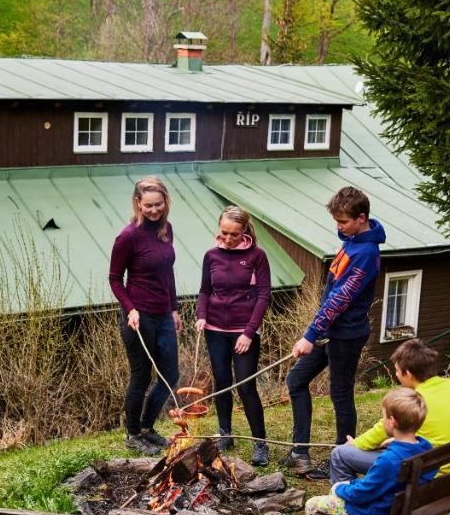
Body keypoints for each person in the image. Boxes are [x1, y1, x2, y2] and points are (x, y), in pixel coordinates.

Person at [282, 185, 386, 479]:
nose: (338, 228)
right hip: (329, 330)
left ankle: (345, 456)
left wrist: (310, 335)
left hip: (346, 335)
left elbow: (339, 299)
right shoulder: (353, 240)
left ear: (362, 218)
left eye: (343, 222)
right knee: (296, 379)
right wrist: (316, 332)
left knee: (340, 393)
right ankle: (299, 452)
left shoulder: (365, 253)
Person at [292, 387, 435, 515]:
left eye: (383, 416)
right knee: (339, 494)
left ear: (392, 422)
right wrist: (392, 443)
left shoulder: (390, 461)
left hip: (377, 514)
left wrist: (340, 488)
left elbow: (362, 493)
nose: (382, 420)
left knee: (313, 506)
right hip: (402, 509)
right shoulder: (426, 448)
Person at [329, 338, 450, 498]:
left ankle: (347, 502)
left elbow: (379, 431)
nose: (396, 374)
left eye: (397, 371)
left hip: (430, 475)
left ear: (409, 374)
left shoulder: (414, 400)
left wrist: (355, 444)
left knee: (339, 455)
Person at [109, 176, 181, 456]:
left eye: (159, 205)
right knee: (140, 375)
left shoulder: (166, 230)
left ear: (166, 203)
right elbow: (115, 279)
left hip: (164, 314)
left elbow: (168, 273)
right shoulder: (128, 237)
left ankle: (148, 427)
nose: (154, 210)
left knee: (170, 374)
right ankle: (133, 433)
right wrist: (131, 308)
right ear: (138, 203)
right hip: (138, 316)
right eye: (148, 205)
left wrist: (174, 308)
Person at [195, 206, 272, 466]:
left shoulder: (256, 256)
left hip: (244, 331)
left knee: (245, 385)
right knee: (222, 381)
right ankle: (225, 433)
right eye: (224, 233)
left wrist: (249, 332)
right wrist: (201, 315)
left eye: (234, 235)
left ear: (244, 232)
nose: (228, 239)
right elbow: (204, 291)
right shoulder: (211, 255)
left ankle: (260, 443)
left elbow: (264, 296)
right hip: (214, 330)